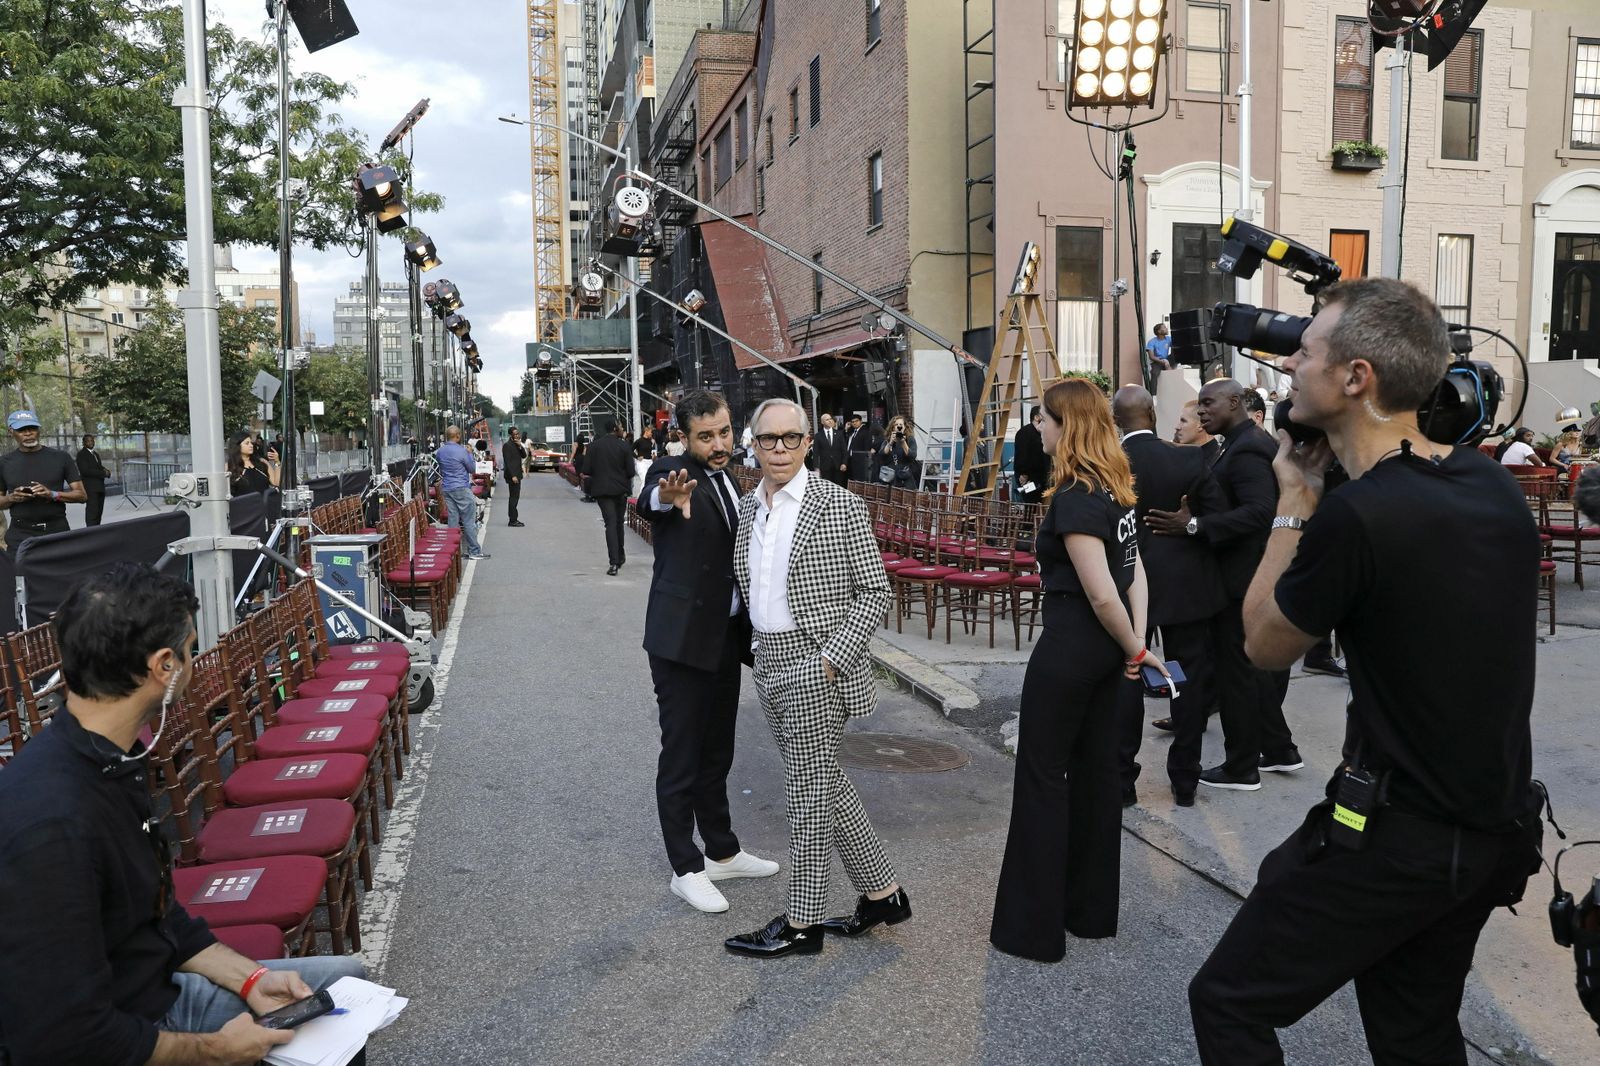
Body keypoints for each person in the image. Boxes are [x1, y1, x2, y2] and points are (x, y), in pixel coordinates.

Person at [1188, 277, 1544, 1065]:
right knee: (1415, 1033)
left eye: (1306, 352)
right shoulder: (1490, 485)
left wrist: (1294, 497)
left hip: (1395, 839)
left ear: (1357, 378)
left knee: (1227, 1002)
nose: (1290, 369)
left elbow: (1262, 646)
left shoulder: (1359, 513)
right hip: (1492, 832)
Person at [0, 563, 367, 1065]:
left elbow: (159, 914)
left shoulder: (109, 755)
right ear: (164, 666)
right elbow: (66, 1040)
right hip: (129, 1026)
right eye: (193, 649)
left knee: (347, 984)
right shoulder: (52, 826)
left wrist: (253, 978)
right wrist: (218, 1051)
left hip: (154, 987)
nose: (197, 663)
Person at [989, 378, 1167, 963]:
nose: (1038, 427)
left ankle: (1031, 929)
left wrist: (1136, 649)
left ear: (1067, 424)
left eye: (1043, 418)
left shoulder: (1074, 496)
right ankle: (1089, 913)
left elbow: (1100, 593)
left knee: (1042, 777)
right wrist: (1134, 645)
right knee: (1095, 777)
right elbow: (1133, 571)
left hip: (1072, 646)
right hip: (1106, 651)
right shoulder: (1116, 488)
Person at [725, 398, 906, 958]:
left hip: (815, 665)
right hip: (768, 662)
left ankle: (802, 924)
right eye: (767, 439)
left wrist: (829, 661)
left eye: (789, 438)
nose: (778, 448)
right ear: (752, 445)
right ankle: (883, 894)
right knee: (825, 780)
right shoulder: (750, 508)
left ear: (808, 442)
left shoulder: (839, 505)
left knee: (806, 793)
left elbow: (876, 591)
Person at [640, 390, 779, 914]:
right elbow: (650, 498)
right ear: (684, 437)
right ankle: (685, 867)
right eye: (706, 436)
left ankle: (721, 851)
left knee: (718, 750)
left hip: (724, 639)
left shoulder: (730, 477)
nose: (718, 444)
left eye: (723, 432)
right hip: (680, 644)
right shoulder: (674, 472)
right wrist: (664, 496)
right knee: (682, 756)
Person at [1147, 379, 1301, 791]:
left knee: (1239, 676)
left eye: (1208, 404)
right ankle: (1276, 751)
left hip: (1242, 581)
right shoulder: (1236, 442)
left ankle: (1242, 767)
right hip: (1238, 579)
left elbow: (1259, 512)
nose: (1201, 413)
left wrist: (1194, 524)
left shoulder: (1248, 447)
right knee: (1240, 674)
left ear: (1235, 402)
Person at [1111, 386, 1227, 808]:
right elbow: (1218, 516)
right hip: (1185, 585)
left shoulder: (1111, 463)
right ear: (1153, 412)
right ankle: (1185, 782)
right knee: (1189, 683)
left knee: (1126, 679)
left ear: (1116, 420)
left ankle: (1123, 781)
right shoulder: (1188, 458)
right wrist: (1190, 521)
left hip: (1126, 583)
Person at [0, 409, 86, 557]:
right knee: (21, 580)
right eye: (21, 430)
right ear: (11, 432)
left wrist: (52, 494)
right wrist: (12, 498)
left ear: (39, 430)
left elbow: (82, 495)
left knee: (61, 577)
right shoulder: (3, 463)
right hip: (20, 535)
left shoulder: (61, 457)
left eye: (32, 428)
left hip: (57, 533)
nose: (28, 433)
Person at [585, 418, 635, 575]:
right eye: (620, 426)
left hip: (602, 491)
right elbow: (631, 472)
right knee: (619, 522)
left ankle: (614, 563)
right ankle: (620, 556)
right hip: (620, 490)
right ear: (615, 428)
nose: (622, 429)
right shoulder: (624, 446)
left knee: (610, 524)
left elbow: (587, 469)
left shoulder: (593, 447)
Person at [437, 426, 488, 561]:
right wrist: (470, 453)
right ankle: (474, 551)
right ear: (458, 436)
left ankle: (453, 551)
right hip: (461, 487)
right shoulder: (462, 451)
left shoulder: (440, 451)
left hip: (447, 488)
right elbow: (472, 469)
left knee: (453, 520)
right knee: (468, 520)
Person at [1013, 405, 1050, 500]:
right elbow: (1022, 454)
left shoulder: (1038, 433)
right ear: (1036, 417)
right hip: (1029, 478)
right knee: (1030, 504)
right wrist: (1023, 473)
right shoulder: (1024, 433)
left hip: (1040, 477)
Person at [76, 433, 110, 527]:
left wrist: (107, 471)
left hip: (99, 487)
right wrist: (103, 473)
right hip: (90, 488)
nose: (91, 442)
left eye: (92, 440)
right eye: (88, 441)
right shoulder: (81, 455)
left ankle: (97, 530)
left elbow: (98, 467)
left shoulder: (95, 454)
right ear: (84, 442)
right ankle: (90, 531)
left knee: (99, 512)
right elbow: (85, 471)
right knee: (92, 512)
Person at [225, 432, 274, 497]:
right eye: (247, 443)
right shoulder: (229, 466)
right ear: (237, 446)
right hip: (242, 505)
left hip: (264, 505)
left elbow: (275, 482)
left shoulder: (261, 462)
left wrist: (277, 462)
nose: (251, 445)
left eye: (251, 443)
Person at [878, 415, 918, 487]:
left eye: (901, 425)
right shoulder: (887, 440)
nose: (898, 427)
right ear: (892, 427)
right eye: (896, 425)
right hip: (890, 479)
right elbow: (881, 456)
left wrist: (903, 442)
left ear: (904, 427)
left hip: (905, 478)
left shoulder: (910, 439)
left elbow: (912, 456)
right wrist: (890, 443)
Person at [812, 413, 848, 487]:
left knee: (839, 486)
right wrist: (816, 467)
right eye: (827, 419)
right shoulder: (818, 436)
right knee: (827, 486)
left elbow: (844, 450)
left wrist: (844, 463)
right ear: (822, 422)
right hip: (825, 467)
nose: (830, 421)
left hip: (838, 466)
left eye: (830, 419)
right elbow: (815, 453)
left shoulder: (839, 434)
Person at [844, 414, 881, 483]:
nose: (854, 423)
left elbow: (866, 446)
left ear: (861, 421)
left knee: (859, 480)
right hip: (850, 459)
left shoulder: (865, 431)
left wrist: (865, 459)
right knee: (851, 479)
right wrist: (846, 429)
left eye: (856, 421)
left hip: (860, 460)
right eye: (852, 422)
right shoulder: (851, 432)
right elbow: (846, 443)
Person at [502, 429, 526, 527]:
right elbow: (507, 462)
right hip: (513, 476)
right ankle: (512, 520)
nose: (517, 436)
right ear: (511, 435)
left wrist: (520, 446)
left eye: (517, 433)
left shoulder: (517, 444)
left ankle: (513, 519)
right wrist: (513, 475)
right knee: (513, 498)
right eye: (515, 434)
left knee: (515, 497)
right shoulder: (507, 445)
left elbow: (524, 455)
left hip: (517, 474)